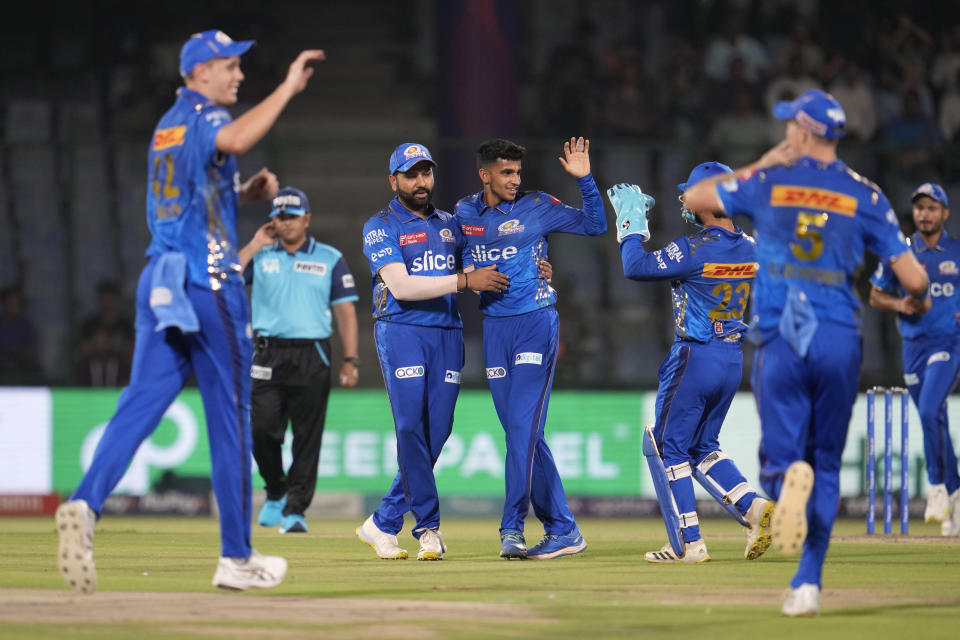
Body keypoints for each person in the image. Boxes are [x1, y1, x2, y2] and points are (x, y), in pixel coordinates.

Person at [55, 29, 326, 593]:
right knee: (231, 419)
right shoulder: (205, 117)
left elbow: (193, 186)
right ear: (201, 72)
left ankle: (84, 502)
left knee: (140, 404)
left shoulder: (168, 124)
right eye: (230, 66)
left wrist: (243, 194)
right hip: (208, 282)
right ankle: (236, 557)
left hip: (161, 277)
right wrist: (287, 88)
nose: (239, 75)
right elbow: (235, 136)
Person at [683, 89, 930, 616]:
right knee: (825, 461)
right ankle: (807, 584)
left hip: (784, 336)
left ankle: (778, 485)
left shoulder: (770, 182)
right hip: (840, 335)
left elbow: (696, 198)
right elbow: (914, 277)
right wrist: (915, 298)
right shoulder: (866, 193)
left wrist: (763, 162)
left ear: (799, 130)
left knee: (781, 460)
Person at [608, 162, 774, 564]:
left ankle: (688, 543)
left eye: (690, 193)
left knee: (667, 448)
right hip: (732, 358)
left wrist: (631, 222)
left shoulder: (693, 248)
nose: (684, 199)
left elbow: (636, 267)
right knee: (703, 446)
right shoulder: (753, 248)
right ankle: (754, 509)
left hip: (694, 357)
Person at [454, 137, 607, 560]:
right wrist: (469, 272)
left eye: (518, 172)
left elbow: (595, 225)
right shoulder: (463, 214)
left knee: (522, 431)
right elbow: (449, 261)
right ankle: (564, 529)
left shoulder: (537, 204)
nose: (515, 180)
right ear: (484, 175)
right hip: (495, 331)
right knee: (524, 434)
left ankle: (511, 528)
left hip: (536, 324)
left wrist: (586, 180)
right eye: (506, 172)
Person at [356, 143, 510, 561]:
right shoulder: (380, 225)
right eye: (411, 175)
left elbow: (487, 259)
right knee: (409, 427)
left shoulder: (450, 224)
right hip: (402, 330)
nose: (421, 182)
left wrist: (537, 266)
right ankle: (428, 529)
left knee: (436, 432)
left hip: (446, 333)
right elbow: (402, 288)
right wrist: (464, 281)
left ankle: (384, 521)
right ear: (394, 180)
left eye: (426, 173)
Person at [238, 186, 359, 535]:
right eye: (280, 216)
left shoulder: (329, 257)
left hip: (312, 352)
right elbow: (224, 275)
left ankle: (295, 509)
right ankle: (275, 490)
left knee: (307, 437)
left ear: (306, 218)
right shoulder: (261, 255)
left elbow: (346, 312)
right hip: (266, 352)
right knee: (262, 428)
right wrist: (254, 244)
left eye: (292, 216)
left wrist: (350, 359)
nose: (286, 223)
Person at [869, 182, 960, 535]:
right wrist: (899, 304)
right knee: (935, 419)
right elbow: (876, 295)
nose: (925, 214)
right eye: (920, 208)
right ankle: (955, 498)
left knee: (927, 410)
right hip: (914, 346)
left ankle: (936, 489)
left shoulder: (956, 251)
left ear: (945, 214)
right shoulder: (900, 253)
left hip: (949, 343)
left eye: (932, 208)